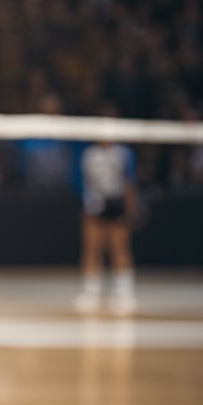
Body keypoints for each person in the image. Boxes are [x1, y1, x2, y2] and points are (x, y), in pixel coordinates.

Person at [75, 131, 137, 315]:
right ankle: (91, 291)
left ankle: (124, 292)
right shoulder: (89, 154)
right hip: (95, 202)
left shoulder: (123, 153)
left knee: (120, 247)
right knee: (92, 247)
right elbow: (84, 182)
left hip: (116, 201)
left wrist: (129, 209)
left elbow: (129, 182)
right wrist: (87, 205)